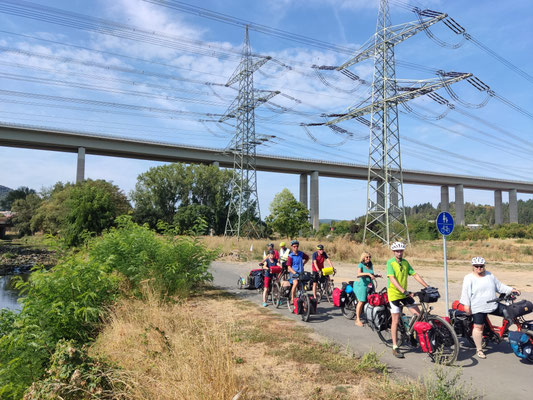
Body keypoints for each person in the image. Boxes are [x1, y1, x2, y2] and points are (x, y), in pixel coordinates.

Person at [459, 256, 520, 359]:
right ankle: (479, 349)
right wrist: (466, 305)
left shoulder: (489, 275)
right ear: (473, 266)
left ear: (484, 266)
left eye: (481, 266)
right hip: (478, 306)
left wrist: (511, 289)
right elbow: (465, 293)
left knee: (510, 312)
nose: (479, 268)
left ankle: (503, 331)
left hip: (493, 304)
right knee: (478, 327)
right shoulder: (469, 278)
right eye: (476, 266)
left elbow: (500, 287)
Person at [386, 241, 429, 359]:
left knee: (418, 314)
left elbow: (415, 275)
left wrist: (427, 286)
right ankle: (395, 347)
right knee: (395, 320)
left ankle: (411, 334)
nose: (399, 253)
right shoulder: (390, 263)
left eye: (401, 251)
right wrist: (403, 290)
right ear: (394, 252)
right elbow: (392, 278)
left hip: (404, 294)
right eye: (397, 251)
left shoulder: (405, 263)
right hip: (394, 295)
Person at [353, 252, 381, 327]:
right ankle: (357, 319)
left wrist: (376, 275)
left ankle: (371, 317)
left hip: (370, 285)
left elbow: (371, 274)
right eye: (367, 257)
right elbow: (358, 274)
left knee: (373, 301)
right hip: (363, 285)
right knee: (361, 301)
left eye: (369, 257)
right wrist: (368, 274)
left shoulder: (370, 265)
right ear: (363, 258)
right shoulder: (361, 265)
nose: (369, 258)